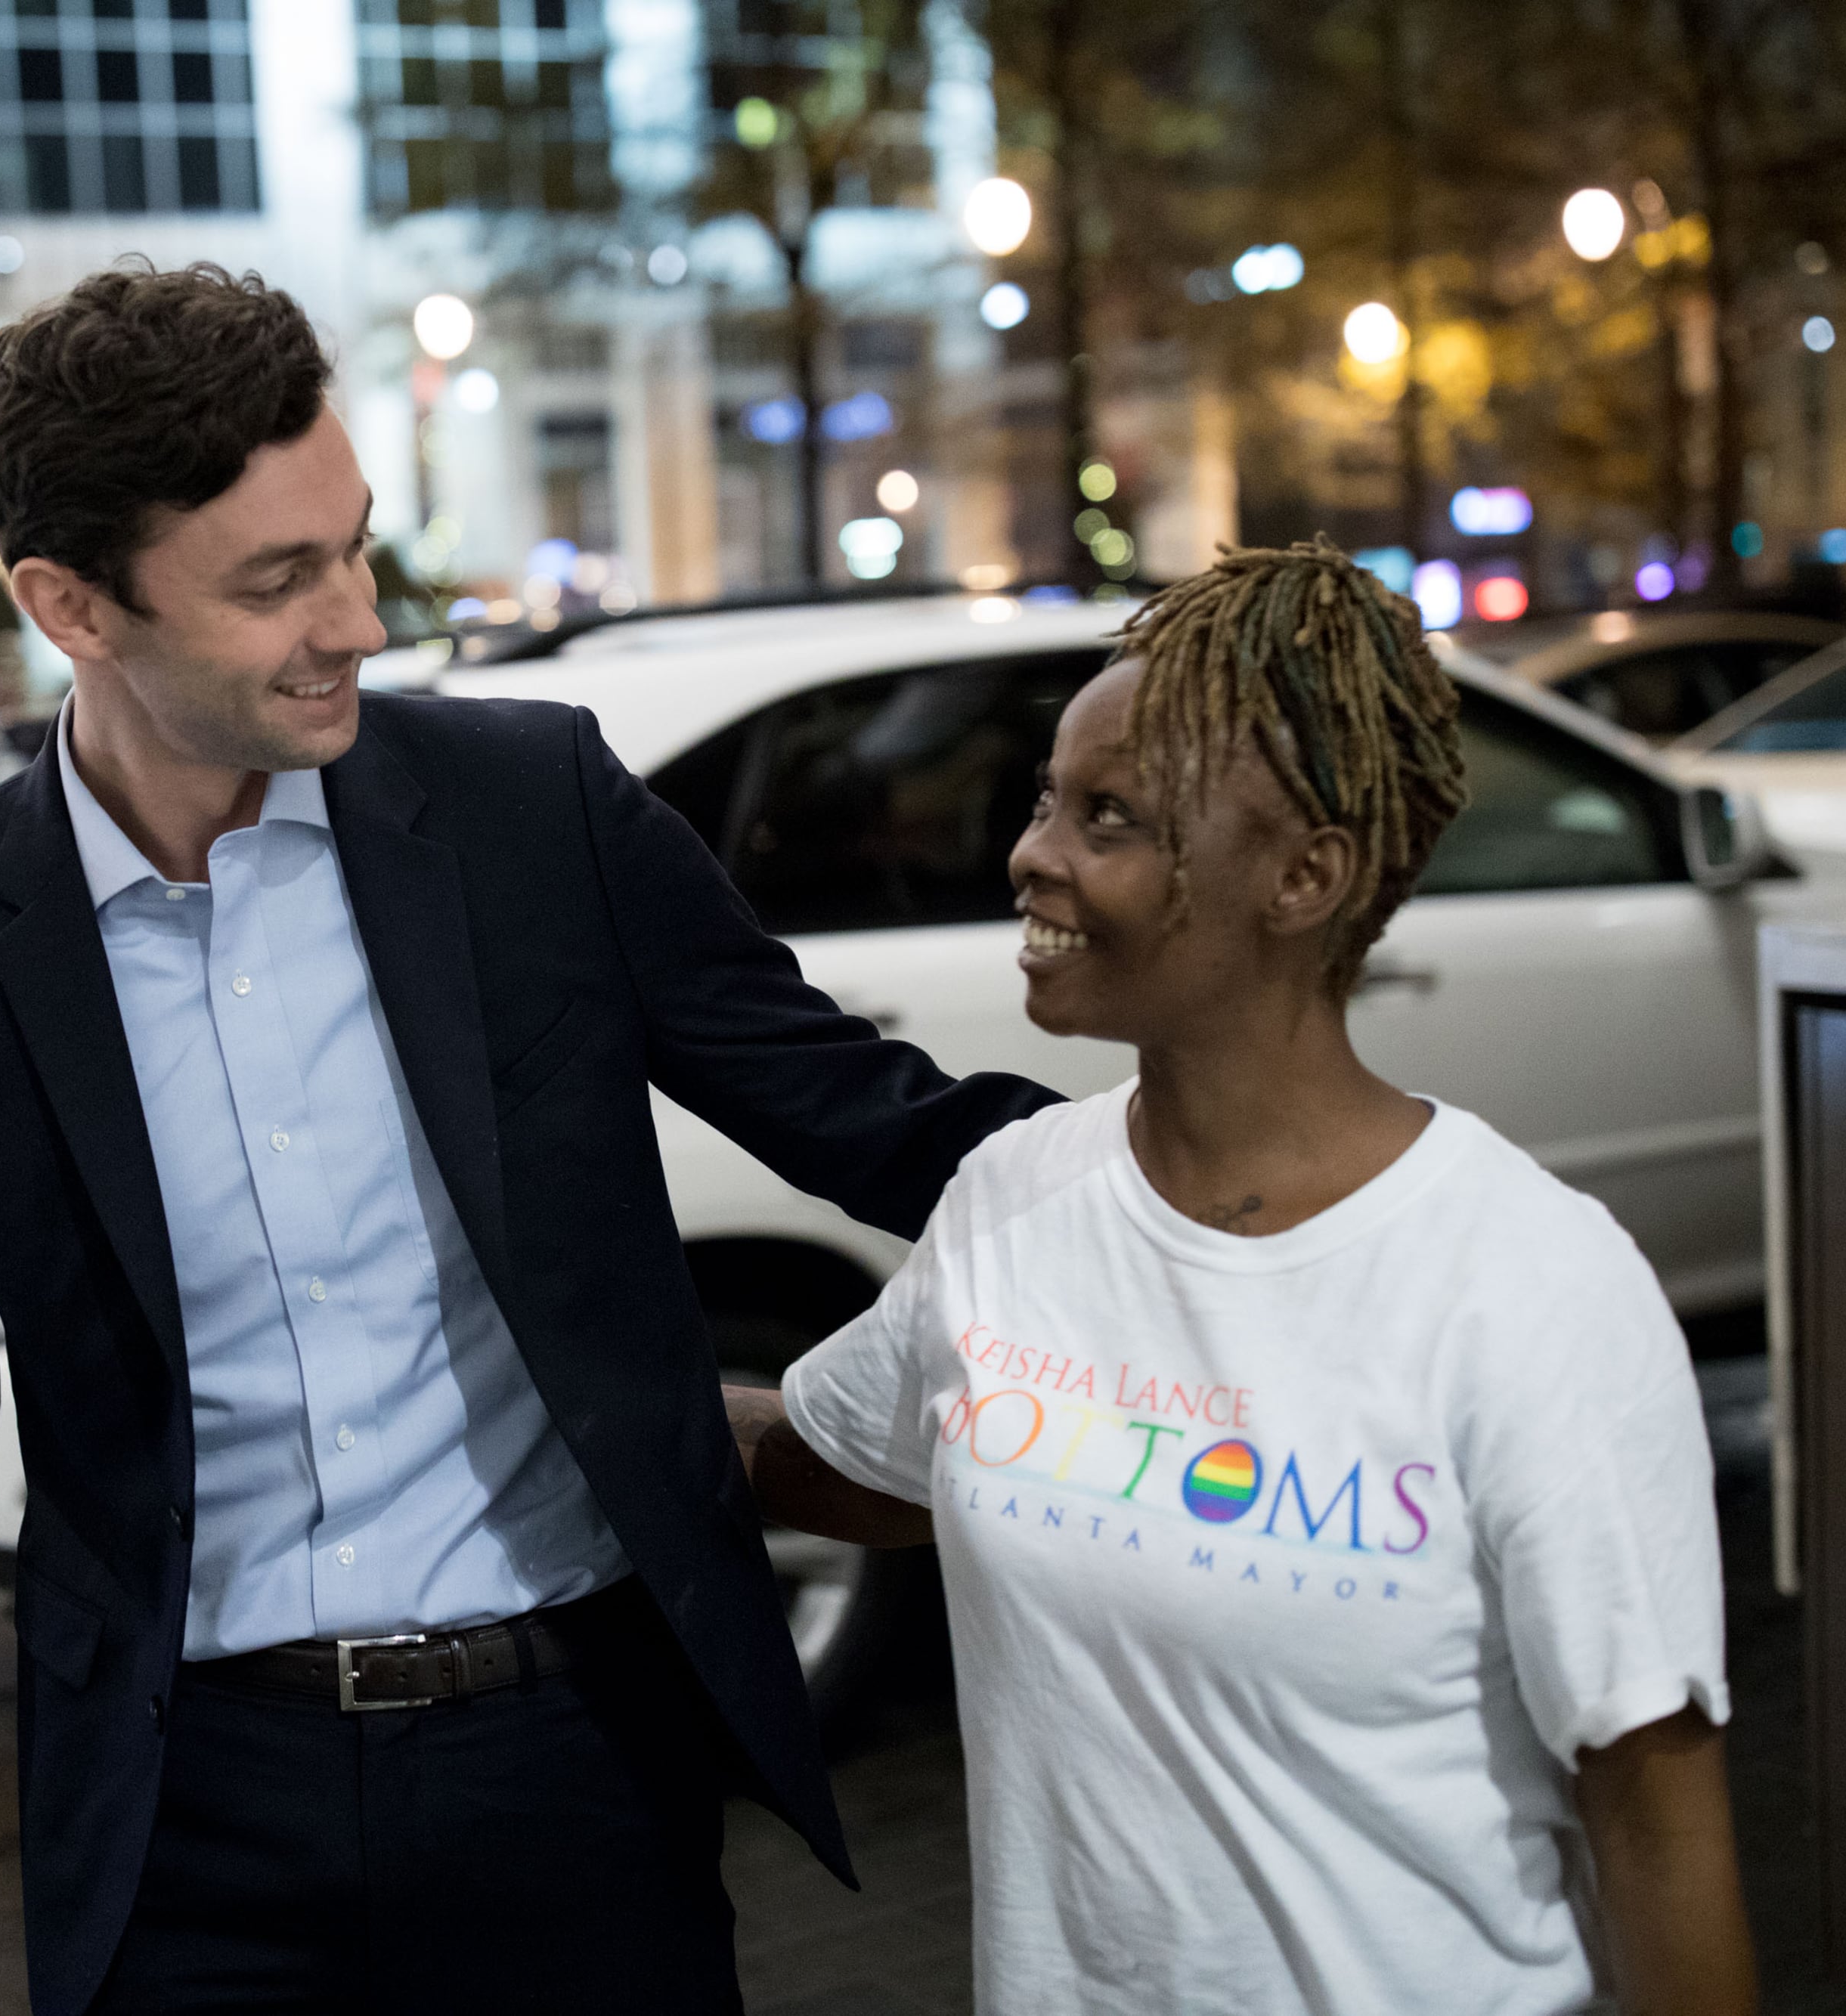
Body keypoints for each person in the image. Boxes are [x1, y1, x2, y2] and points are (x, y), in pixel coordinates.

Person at [0, 260, 1058, 2016]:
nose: (362, 620)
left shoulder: (533, 809)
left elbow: (869, 1119)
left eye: (354, 544)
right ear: (71, 605)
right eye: (277, 580)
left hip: (573, 1767)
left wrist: (1255, 1188)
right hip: (185, 1816)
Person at [728, 542, 1761, 2015]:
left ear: (1304, 875)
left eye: (1111, 817)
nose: (1033, 853)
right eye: (1045, 799)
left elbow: (1661, 1836)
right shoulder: (1015, 1203)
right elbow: (835, 1456)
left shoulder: (1530, 1284)